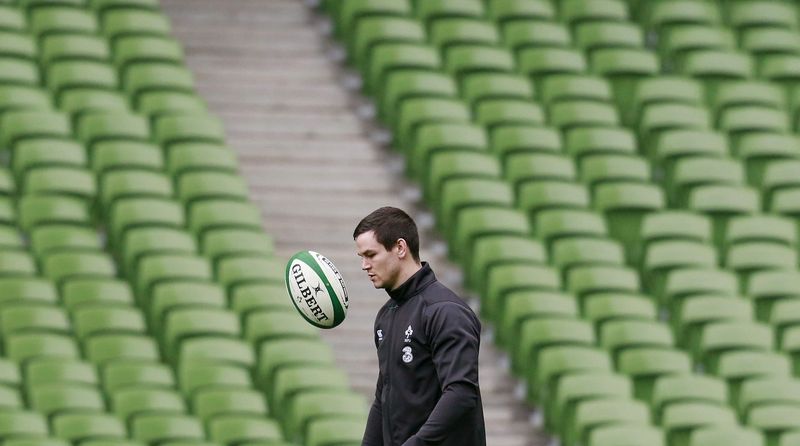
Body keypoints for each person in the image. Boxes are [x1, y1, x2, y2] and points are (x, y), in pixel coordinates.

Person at [353, 206, 486, 446]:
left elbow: (461, 394)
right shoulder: (386, 315)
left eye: (371, 255)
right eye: (361, 257)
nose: (364, 265)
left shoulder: (445, 311)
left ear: (400, 248)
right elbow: (382, 398)